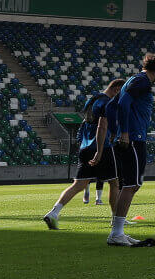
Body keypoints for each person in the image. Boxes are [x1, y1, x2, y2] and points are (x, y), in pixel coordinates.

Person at [105, 54, 155, 247]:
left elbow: (110, 106)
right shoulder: (142, 82)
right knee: (131, 185)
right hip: (133, 138)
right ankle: (116, 233)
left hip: (131, 137)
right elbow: (122, 104)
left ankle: (118, 232)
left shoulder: (134, 80)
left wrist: (114, 132)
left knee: (132, 185)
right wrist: (123, 132)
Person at [42, 78, 123, 228]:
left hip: (85, 147)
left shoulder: (92, 100)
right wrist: (99, 151)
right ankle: (117, 220)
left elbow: (85, 124)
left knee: (78, 184)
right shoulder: (107, 103)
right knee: (114, 182)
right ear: (117, 89)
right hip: (102, 147)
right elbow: (102, 126)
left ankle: (53, 213)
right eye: (121, 93)